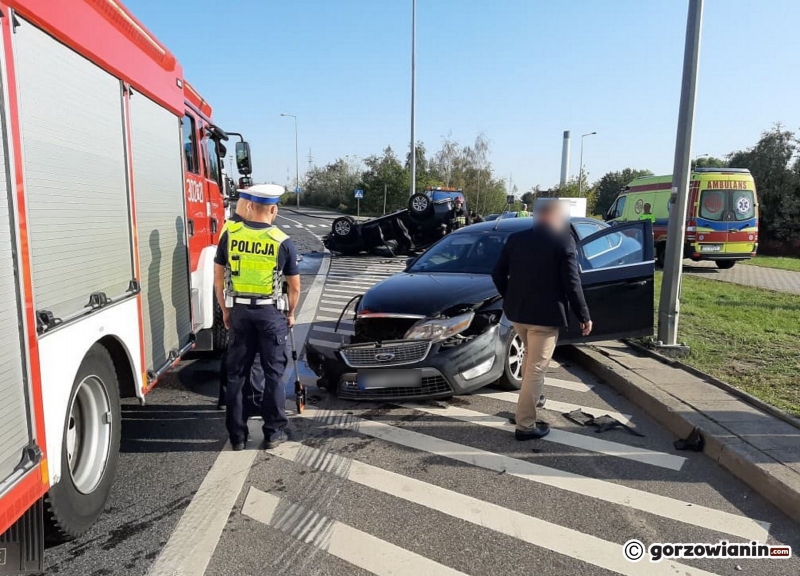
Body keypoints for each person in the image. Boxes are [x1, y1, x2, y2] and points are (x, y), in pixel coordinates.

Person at [491, 200, 592, 441]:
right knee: (536, 368)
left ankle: (533, 399)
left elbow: (497, 274)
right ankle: (525, 425)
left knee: (529, 358)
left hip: (517, 315)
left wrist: (510, 297)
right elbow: (572, 283)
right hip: (545, 319)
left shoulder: (516, 239)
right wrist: (584, 315)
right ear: (557, 218)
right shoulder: (563, 240)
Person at [214, 184, 301, 451]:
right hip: (270, 313)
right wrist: (291, 313)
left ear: (250, 207)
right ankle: (274, 432)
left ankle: (238, 436)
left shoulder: (231, 235)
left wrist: (226, 311)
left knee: (237, 373)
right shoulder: (282, 241)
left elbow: (218, 280)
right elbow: (294, 286)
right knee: (274, 374)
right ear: (274, 209)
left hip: (240, 311)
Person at [216, 197, 264, 411]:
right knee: (249, 354)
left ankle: (226, 399)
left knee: (232, 350)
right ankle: (251, 401)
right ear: (249, 207)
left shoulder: (229, 227)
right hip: (245, 299)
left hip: (231, 297)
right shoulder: (238, 229)